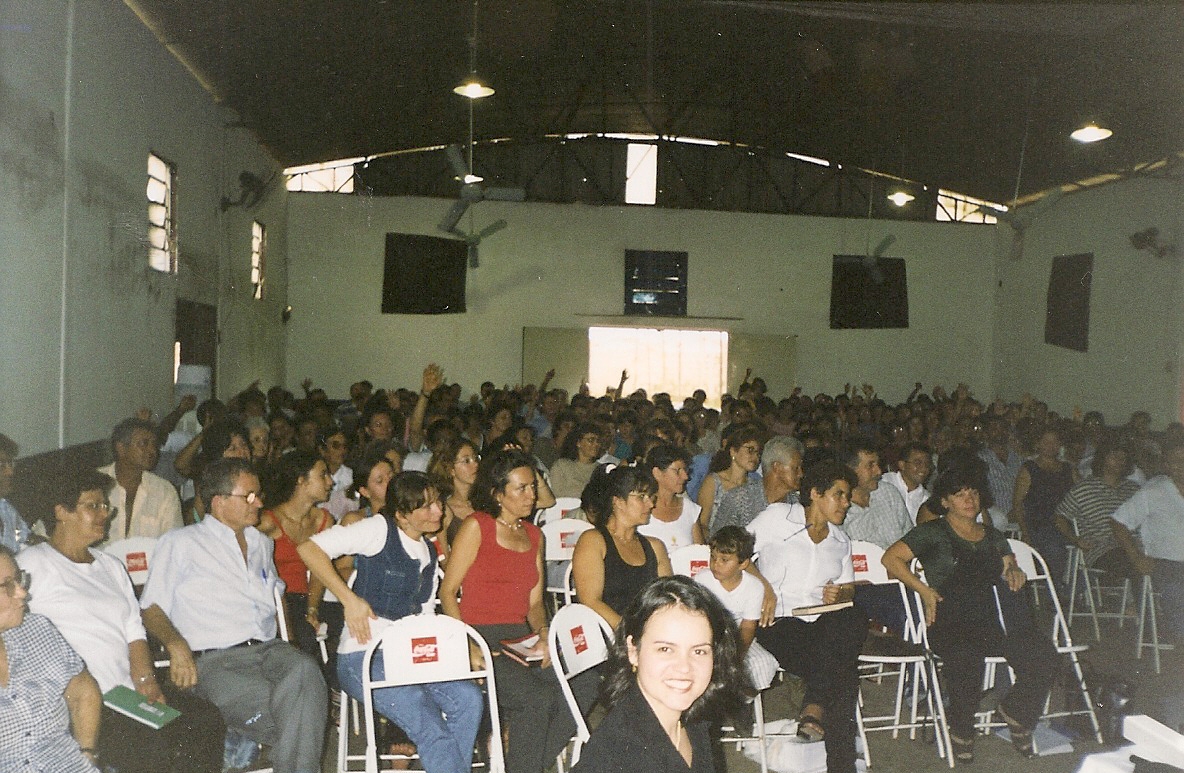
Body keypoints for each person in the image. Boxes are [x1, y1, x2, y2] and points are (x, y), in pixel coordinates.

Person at [19, 468, 224, 773]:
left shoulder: (110, 566)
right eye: (93, 506)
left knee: (204, 720)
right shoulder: (33, 564)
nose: (105, 514)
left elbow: (133, 630)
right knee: (155, 745)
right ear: (61, 512)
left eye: (105, 506)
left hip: (122, 695)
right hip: (78, 702)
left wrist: (147, 683)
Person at [140, 458, 327, 773]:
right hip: (217, 661)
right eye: (249, 496)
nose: (260, 503)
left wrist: (290, 642)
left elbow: (277, 595)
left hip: (270, 650)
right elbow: (150, 608)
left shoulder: (261, 543)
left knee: (306, 671)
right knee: (302, 711)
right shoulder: (181, 543)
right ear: (219, 502)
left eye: (259, 495)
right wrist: (176, 645)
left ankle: (247, 743)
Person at [298, 471, 484, 773]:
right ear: (401, 515)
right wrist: (350, 600)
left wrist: (460, 650)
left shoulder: (427, 551)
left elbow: (424, 616)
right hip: (363, 656)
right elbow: (309, 549)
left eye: (437, 502)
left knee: (468, 699)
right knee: (427, 720)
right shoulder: (379, 530)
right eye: (426, 506)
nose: (438, 511)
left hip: (408, 656)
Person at [882, 467, 1058, 763]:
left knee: (1044, 656)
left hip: (994, 620)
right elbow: (891, 558)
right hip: (949, 621)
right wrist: (924, 591)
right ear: (945, 501)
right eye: (959, 494)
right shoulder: (932, 531)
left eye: (973, 492)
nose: (969, 499)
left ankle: (1015, 710)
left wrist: (1014, 572)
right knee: (966, 657)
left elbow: (1009, 565)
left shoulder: (992, 535)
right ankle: (961, 729)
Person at [440, 447, 586, 773]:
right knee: (537, 700)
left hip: (522, 639)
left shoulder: (534, 535)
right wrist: (467, 643)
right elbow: (447, 591)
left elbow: (534, 603)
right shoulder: (477, 526)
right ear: (497, 494)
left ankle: (520, 763)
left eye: (532, 486)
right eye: (521, 488)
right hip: (481, 637)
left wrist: (544, 633)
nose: (531, 495)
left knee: (584, 684)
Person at [746, 460, 867, 773]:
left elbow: (849, 588)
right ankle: (841, 764)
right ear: (815, 493)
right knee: (843, 671)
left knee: (852, 617)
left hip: (822, 627)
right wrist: (764, 588)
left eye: (847, 496)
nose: (846, 503)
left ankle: (813, 708)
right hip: (778, 621)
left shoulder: (840, 540)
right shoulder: (777, 518)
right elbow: (736, 554)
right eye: (839, 494)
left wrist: (841, 594)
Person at [571, 575, 746, 773]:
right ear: (633, 651)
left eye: (699, 651)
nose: (684, 667)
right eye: (665, 649)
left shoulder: (693, 718)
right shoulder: (622, 756)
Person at [0, 544, 102, 773]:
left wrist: (87, 755)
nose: (23, 593)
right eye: (8, 586)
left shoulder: (38, 631)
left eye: (19, 580)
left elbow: (82, 691)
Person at [572, 465, 673, 628]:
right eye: (641, 497)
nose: (650, 504)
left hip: (647, 632)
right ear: (617, 501)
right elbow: (590, 601)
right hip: (607, 631)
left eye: (651, 497)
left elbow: (667, 600)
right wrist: (629, 632)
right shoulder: (593, 541)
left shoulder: (655, 547)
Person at [258, 450, 335, 663]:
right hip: (274, 601)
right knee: (302, 636)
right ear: (301, 480)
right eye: (323, 475)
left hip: (306, 599)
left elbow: (320, 570)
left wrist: (312, 609)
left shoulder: (323, 520)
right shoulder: (268, 521)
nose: (330, 482)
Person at [1110, 439, 1184, 644]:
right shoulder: (1153, 492)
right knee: (1176, 590)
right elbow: (1118, 522)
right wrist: (1136, 557)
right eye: (1176, 461)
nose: (1182, 465)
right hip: (1166, 563)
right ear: (1166, 465)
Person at [695, 526, 779, 693]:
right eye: (713, 557)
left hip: (738, 638)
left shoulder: (754, 587)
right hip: (707, 636)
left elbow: (748, 627)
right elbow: (697, 618)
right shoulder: (702, 580)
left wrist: (737, 655)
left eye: (724, 560)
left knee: (763, 662)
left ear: (743, 564)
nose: (716, 564)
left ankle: (741, 702)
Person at [1054, 441, 1140, 577]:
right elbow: (1060, 517)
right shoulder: (1084, 489)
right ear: (1103, 458)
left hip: (1136, 546)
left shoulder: (1133, 489)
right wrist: (1076, 539)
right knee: (1130, 562)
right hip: (1102, 549)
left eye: (1123, 458)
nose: (1120, 461)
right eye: (1115, 456)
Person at [99, 417, 183, 544]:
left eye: (154, 445)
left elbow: (173, 544)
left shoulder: (165, 491)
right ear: (121, 448)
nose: (152, 451)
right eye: (144, 444)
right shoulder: (94, 484)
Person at [1011, 426, 1076, 586]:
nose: (1051, 446)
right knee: (1054, 547)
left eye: (1054, 442)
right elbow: (1017, 503)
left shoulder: (1068, 469)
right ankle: (1055, 591)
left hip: (1066, 522)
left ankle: (1073, 589)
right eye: (1046, 442)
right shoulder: (1029, 469)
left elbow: (1081, 494)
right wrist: (1025, 531)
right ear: (1038, 444)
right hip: (1039, 524)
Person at [709, 435, 803, 535]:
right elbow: (718, 539)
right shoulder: (739, 499)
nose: (801, 474)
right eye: (795, 468)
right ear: (777, 467)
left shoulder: (798, 504)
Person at [697, 425, 763, 537]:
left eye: (758, 453)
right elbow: (702, 523)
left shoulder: (755, 485)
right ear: (733, 451)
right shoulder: (713, 482)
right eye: (750, 450)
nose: (755, 457)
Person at [639, 444, 704, 552]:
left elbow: (700, 554)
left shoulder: (689, 509)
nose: (685, 476)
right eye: (677, 471)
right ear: (657, 473)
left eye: (685, 470)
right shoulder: (640, 508)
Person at [881, 441, 931, 524]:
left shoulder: (927, 500)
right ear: (902, 465)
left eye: (927, 464)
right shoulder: (885, 482)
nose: (924, 468)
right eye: (917, 463)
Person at [549, 422, 603, 498]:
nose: (596, 444)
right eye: (591, 440)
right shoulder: (561, 466)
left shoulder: (601, 470)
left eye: (598, 441)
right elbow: (556, 494)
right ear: (578, 443)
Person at [0, 432, 30, 552]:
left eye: (11, 463)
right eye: (1, 465)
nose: (10, 472)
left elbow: (24, 539)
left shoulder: (7, 509)